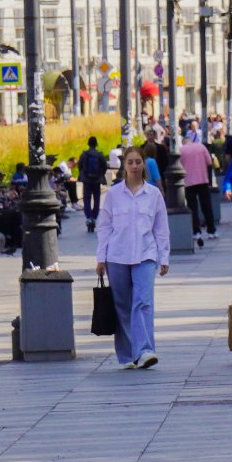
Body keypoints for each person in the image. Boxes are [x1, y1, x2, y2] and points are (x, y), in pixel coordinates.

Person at [97, 145, 168, 369]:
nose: (135, 166)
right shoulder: (114, 194)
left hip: (145, 255)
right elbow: (105, 227)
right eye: (131, 162)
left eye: (138, 162)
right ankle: (128, 355)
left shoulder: (154, 194)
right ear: (124, 166)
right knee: (123, 305)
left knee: (143, 302)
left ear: (143, 164)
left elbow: (161, 228)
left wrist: (163, 257)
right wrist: (101, 258)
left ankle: (145, 350)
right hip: (117, 256)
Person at [178, 129, 218, 246]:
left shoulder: (181, 150)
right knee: (206, 206)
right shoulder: (201, 147)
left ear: (184, 142)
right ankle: (211, 230)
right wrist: (210, 181)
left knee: (192, 207)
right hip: (202, 180)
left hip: (188, 182)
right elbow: (209, 163)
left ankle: (196, 231)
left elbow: (178, 166)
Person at [77, 136, 110, 231]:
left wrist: (84, 174)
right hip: (96, 181)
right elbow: (104, 166)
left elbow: (80, 166)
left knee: (86, 199)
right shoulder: (99, 155)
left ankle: (88, 217)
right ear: (96, 144)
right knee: (96, 199)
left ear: (88, 144)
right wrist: (100, 175)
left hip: (86, 181)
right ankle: (94, 217)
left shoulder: (84, 154)